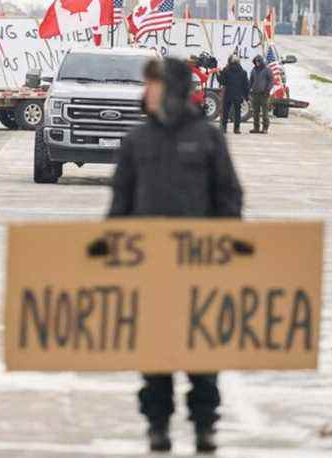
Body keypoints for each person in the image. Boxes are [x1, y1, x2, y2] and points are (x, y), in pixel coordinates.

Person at [109, 57, 243, 454]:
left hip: (199, 267)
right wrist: (110, 252)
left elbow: (229, 197)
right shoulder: (137, 140)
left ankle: (204, 426)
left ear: (174, 90)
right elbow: (121, 203)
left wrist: (224, 245)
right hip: (149, 268)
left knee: (202, 353)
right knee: (155, 352)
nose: (146, 91)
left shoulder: (207, 138)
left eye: (155, 85)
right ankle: (157, 425)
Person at [218, 54, 249, 134]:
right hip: (238, 95)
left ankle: (224, 128)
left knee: (225, 112)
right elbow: (246, 85)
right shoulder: (243, 72)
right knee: (237, 113)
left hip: (228, 94)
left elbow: (222, 82)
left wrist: (219, 74)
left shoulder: (226, 70)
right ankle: (237, 129)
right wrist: (246, 97)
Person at [249, 54, 273, 134]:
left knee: (265, 112)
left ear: (261, 61)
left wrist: (267, 90)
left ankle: (265, 128)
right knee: (255, 112)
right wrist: (249, 89)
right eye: (256, 61)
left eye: (259, 61)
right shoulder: (253, 70)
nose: (257, 63)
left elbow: (271, 81)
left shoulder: (267, 70)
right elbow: (251, 80)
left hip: (264, 94)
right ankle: (256, 127)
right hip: (255, 93)